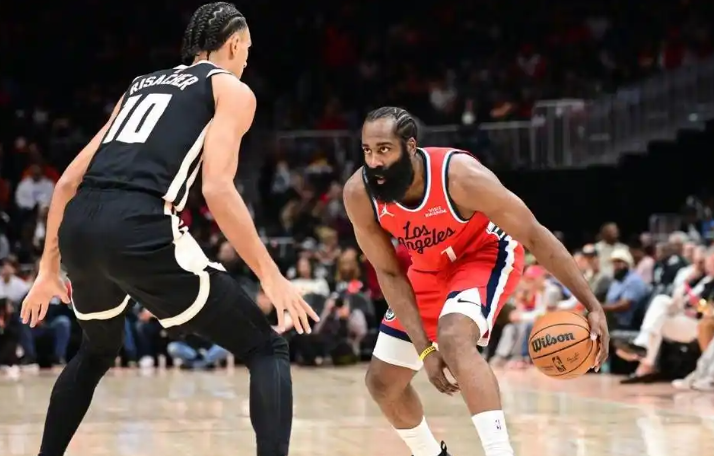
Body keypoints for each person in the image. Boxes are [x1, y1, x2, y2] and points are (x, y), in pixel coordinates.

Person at [19, 4, 318, 456]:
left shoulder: (140, 85)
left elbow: (65, 184)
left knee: (96, 352)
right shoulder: (231, 89)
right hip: (140, 224)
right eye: (247, 51)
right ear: (234, 44)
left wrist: (47, 271)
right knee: (266, 347)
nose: (246, 61)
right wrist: (271, 277)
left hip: (80, 224)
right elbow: (217, 188)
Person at [343, 107, 610, 456]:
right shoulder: (359, 194)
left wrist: (591, 304)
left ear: (409, 147)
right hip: (428, 268)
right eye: (367, 150)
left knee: (454, 337)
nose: (374, 162)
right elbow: (390, 272)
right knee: (382, 382)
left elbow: (534, 234)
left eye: (384, 149)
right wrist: (424, 350)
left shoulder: (461, 176)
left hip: (484, 254)